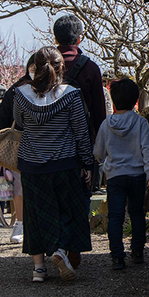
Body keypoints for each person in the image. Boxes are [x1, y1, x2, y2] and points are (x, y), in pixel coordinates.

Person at [12, 46, 94, 283]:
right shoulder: (71, 95)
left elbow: (19, 122)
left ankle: (38, 269)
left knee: (35, 214)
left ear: (34, 68)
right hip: (64, 163)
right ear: (61, 68)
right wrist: (87, 164)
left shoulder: (21, 94)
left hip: (31, 165)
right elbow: (81, 132)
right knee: (67, 211)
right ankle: (60, 250)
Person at [93, 78, 149, 270]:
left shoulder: (106, 124)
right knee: (137, 214)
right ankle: (138, 252)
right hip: (137, 175)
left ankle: (117, 257)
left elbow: (98, 152)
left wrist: (105, 162)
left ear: (114, 100)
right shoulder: (141, 122)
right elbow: (148, 148)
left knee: (115, 217)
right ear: (134, 100)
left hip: (114, 176)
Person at [52, 13, 107, 186]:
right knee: (79, 197)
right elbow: (99, 111)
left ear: (55, 38)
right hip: (81, 141)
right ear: (79, 39)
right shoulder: (90, 68)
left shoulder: (43, 65)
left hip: (46, 144)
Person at [0, 56, 33, 245]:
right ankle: (20, 223)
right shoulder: (17, 89)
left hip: (44, 145)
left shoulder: (55, 89)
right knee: (19, 186)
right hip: (19, 144)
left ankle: (29, 225)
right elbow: (2, 118)